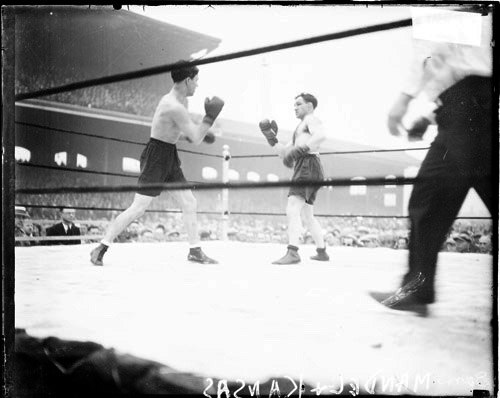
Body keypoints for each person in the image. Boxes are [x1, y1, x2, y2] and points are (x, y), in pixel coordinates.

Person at [371, 7, 493, 312]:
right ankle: (418, 289)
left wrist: (403, 99)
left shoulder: (450, 9)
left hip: (468, 110)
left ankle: (419, 290)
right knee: (429, 198)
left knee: (428, 199)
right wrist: (431, 113)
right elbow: (466, 60)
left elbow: (433, 49)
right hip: (467, 107)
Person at [90, 62, 224, 266]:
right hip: (157, 157)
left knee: (189, 202)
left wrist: (194, 132)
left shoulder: (174, 101)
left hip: (167, 153)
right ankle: (101, 246)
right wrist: (209, 117)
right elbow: (196, 137)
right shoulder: (174, 106)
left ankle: (195, 250)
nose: (197, 86)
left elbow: (171, 132)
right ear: (187, 80)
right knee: (138, 208)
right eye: (196, 81)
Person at [259, 93, 329, 264]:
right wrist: (271, 138)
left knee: (292, 207)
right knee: (307, 214)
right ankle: (322, 251)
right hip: (307, 165)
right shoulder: (299, 129)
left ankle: (293, 252)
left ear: (310, 106)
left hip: (308, 164)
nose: (295, 107)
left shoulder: (311, 119)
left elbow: (321, 136)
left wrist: (301, 150)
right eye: (294, 105)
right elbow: (284, 153)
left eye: (299, 104)